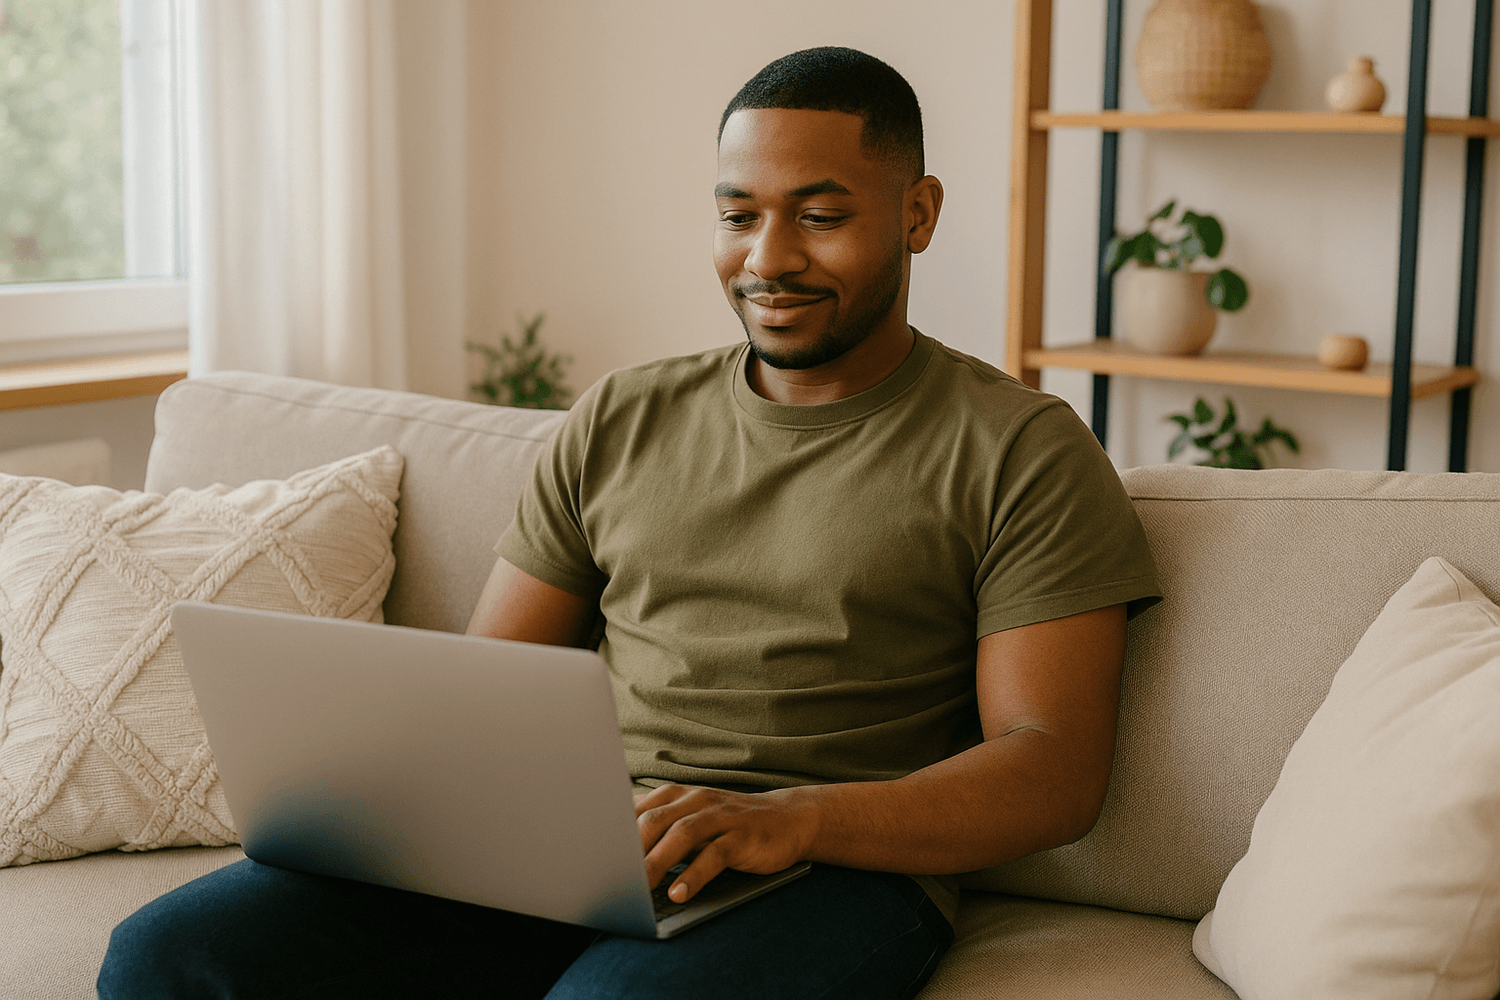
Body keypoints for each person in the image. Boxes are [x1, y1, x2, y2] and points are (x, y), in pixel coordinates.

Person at [98, 46, 1159, 1000]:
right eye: (740, 214)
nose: (768, 257)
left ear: (918, 214)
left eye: (820, 216)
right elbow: (490, 690)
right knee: (167, 955)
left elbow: (1052, 767)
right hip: (584, 846)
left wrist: (790, 817)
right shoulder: (621, 415)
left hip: (831, 869)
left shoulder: (1022, 447)